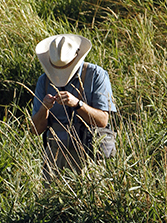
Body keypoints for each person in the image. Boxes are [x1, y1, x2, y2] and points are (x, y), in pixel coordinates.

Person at [30, 34, 116, 178]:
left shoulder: (96, 75)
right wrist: (44, 108)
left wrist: (77, 104)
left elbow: (103, 121)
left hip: (89, 154)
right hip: (55, 156)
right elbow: (35, 130)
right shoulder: (44, 81)